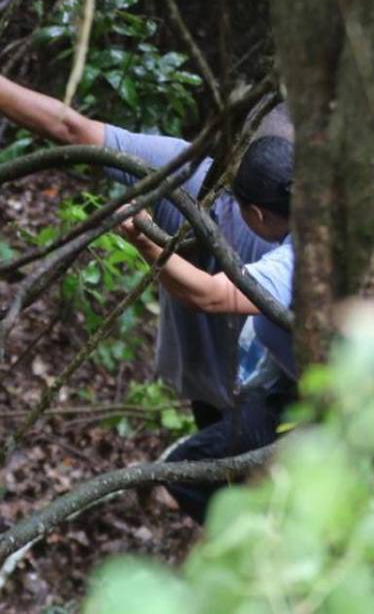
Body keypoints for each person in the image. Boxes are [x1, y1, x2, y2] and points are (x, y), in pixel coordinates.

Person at [0, 31, 290, 425]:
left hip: (268, 401)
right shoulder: (186, 177)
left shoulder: (192, 178)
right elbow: (73, 131)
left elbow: (72, 128)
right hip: (230, 393)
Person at [117, 135, 295, 524]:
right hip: (282, 382)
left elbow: (213, 295)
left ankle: (245, 542)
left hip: (308, 403)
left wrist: (149, 246)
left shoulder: (295, 261)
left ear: (259, 215)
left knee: (188, 470)